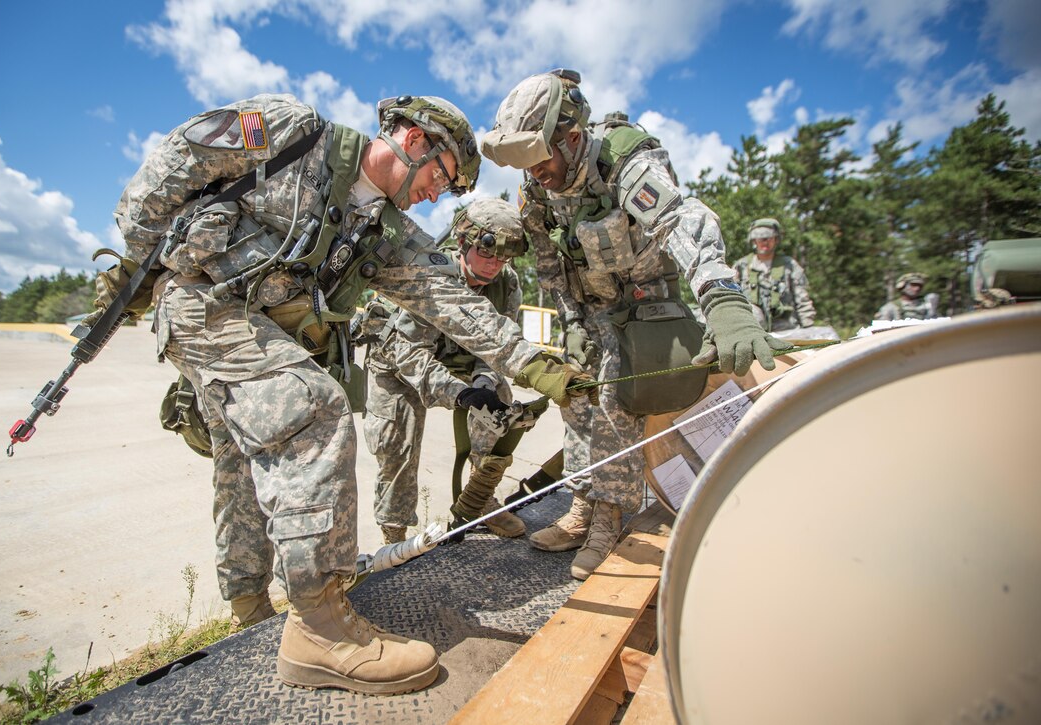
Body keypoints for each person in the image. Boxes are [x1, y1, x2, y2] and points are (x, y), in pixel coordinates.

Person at [111, 92, 592, 696]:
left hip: (260, 329)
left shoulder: (384, 234)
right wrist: (137, 259)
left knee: (240, 462)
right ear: (416, 141)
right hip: (203, 304)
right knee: (315, 409)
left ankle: (250, 609)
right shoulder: (294, 133)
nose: (439, 195)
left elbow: (453, 303)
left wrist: (535, 366)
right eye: (446, 178)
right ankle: (320, 624)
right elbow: (183, 155)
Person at [481, 70, 788, 581]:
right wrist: (570, 321)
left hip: (647, 306)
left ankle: (608, 517)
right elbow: (549, 262)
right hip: (591, 310)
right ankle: (583, 503)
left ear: (572, 138)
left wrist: (723, 299)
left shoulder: (623, 160)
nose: (535, 175)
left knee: (616, 402)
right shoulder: (537, 191)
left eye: (541, 162)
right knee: (576, 394)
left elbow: (682, 220)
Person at [363, 198, 530, 543]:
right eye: (488, 252)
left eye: (504, 256)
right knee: (397, 444)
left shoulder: (507, 285)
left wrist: (484, 382)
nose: (495, 264)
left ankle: (480, 500)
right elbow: (410, 357)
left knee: (499, 405)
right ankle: (394, 536)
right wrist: (463, 394)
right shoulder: (430, 273)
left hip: (462, 360)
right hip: (399, 362)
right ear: (465, 242)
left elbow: (498, 346)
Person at [733, 218, 817, 332]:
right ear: (754, 241)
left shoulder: (789, 265)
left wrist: (808, 327)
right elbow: (731, 299)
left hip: (786, 330)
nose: (765, 242)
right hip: (752, 330)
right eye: (761, 239)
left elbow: (802, 299)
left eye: (769, 238)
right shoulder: (741, 266)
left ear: (776, 240)